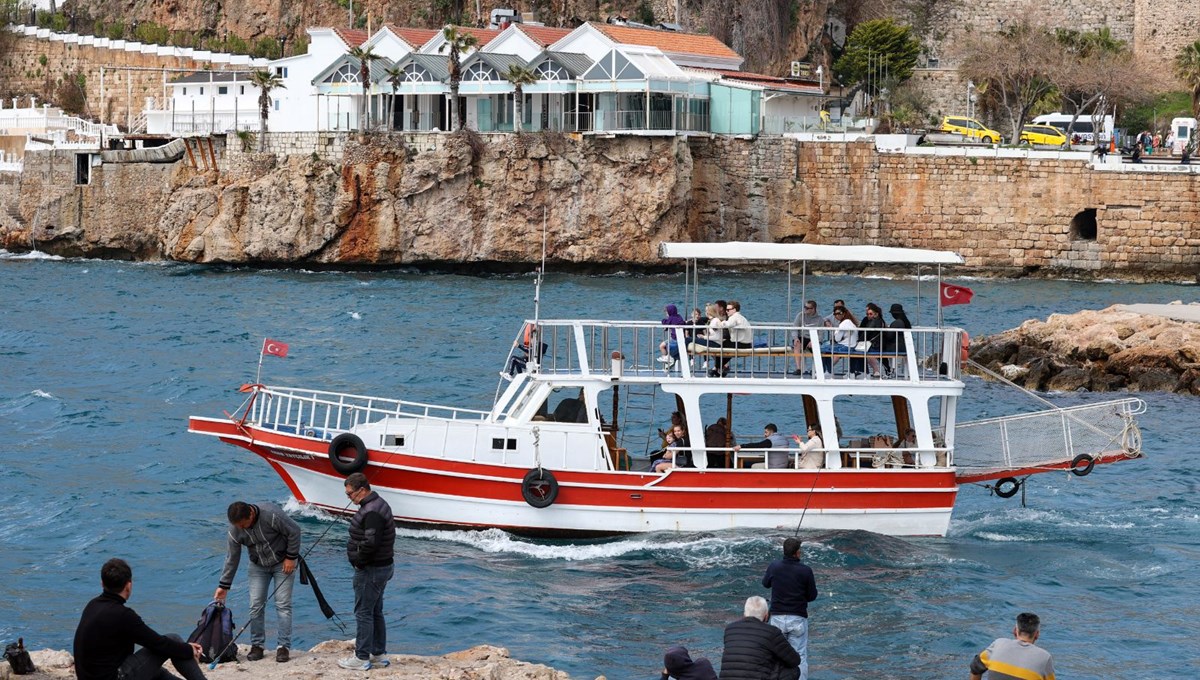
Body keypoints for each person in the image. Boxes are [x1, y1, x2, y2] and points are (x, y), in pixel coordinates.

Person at [74, 558, 208, 680]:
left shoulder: (92, 605)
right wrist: (188, 650)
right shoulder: (123, 615)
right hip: (115, 676)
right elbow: (158, 644)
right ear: (128, 585)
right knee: (174, 639)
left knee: (156, 672)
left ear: (102, 584)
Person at [214, 501, 301, 663]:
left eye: (243, 525)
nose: (241, 528)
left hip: (283, 563)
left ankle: (283, 647)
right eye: (237, 525)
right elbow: (232, 558)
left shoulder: (271, 514)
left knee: (283, 605)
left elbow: (295, 531)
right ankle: (257, 646)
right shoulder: (235, 529)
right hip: (257, 566)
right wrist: (223, 586)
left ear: (251, 515)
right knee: (255, 605)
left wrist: (291, 557)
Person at [338, 473, 397, 671]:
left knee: (363, 612)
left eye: (350, 494)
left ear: (362, 490)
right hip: (383, 567)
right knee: (375, 611)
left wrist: (358, 562)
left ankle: (362, 657)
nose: (349, 498)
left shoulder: (371, 512)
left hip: (372, 569)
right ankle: (378, 654)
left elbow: (371, 543)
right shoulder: (380, 503)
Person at [761, 538, 818, 680]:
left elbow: (765, 584)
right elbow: (812, 596)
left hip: (777, 618)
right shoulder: (805, 571)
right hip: (797, 618)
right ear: (797, 553)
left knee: (777, 655)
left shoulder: (774, 566)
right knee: (799, 656)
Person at [719, 596, 801, 680]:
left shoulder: (730, 629)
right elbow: (795, 660)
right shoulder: (772, 632)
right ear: (766, 616)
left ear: (744, 614)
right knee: (794, 670)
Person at [969, 612, 1055, 680]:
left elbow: (975, 667)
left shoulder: (998, 644)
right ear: (1037, 635)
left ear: (1015, 631)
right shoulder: (1045, 657)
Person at [710, 300, 752, 377]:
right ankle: (717, 368)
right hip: (747, 344)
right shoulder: (741, 317)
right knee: (726, 347)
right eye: (726, 309)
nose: (727, 311)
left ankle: (716, 368)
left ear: (735, 310)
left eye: (728, 310)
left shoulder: (734, 317)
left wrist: (718, 323)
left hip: (741, 344)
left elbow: (727, 324)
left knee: (720, 347)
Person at [819, 307, 857, 375]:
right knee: (826, 347)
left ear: (844, 313)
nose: (837, 315)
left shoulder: (844, 323)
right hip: (851, 345)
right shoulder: (849, 321)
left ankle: (827, 371)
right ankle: (828, 371)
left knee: (823, 349)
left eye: (839, 313)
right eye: (835, 314)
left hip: (846, 346)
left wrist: (835, 332)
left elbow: (837, 339)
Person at [791, 300, 822, 375]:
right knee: (797, 344)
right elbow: (794, 328)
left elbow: (820, 334)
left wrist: (815, 341)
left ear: (813, 309)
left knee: (816, 348)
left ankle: (815, 369)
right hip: (802, 337)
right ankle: (799, 368)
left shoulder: (819, 319)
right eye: (805, 307)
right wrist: (795, 338)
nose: (805, 309)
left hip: (813, 338)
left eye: (807, 308)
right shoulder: (800, 315)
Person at [882, 303, 911, 376]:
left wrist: (885, 330)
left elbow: (889, 336)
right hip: (903, 346)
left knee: (878, 350)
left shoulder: (897, 323)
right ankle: (889, 370)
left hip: (896, 347)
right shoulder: (905, 322)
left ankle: (887, 370)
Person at [858, 303, 886, 376]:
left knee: (864, 352)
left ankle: (875, 370)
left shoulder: (875, 321)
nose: (868, 315)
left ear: (876, 314)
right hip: (876, 343)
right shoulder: (879, 320)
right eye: (867, 314)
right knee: (862, 351)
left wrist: (860, 341)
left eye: (870, 314)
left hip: (875, 345)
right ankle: (865, 371)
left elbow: (867, 332)